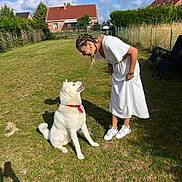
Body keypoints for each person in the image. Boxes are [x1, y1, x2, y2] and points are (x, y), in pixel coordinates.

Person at [76, 34, 149, 141]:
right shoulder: (97, 48)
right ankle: (114, 127)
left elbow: (134, 51)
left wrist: (131, 72)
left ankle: (126, 126)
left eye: (83, 51)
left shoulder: (109, 43)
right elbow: (110, 57)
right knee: (115, 98)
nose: (83, 55)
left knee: (126, 98)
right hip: (117, 70)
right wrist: (110, 65)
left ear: (89, 44)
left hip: (128, 69)